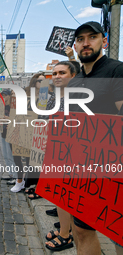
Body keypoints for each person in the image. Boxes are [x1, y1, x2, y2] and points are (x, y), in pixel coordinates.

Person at [68, 21, 123, 255]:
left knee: (118, 233)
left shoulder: (116, 71)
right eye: (80, 39)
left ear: (104, 41)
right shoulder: (75, 80)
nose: (86, 43)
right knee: (81, 231)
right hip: (81, 169)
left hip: (113, 167)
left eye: (92, 37)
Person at [43, 61, 77, 251]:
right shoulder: (54, 97)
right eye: (54, 73)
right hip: (55, 150)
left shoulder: (79, 96)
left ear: (73, 76)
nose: (56, 76)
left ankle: (66, 235)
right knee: (59, 194)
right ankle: (65, 228)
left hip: (71, 153)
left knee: (65, 195)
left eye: (62, 72)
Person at [0, 90, 17, 181]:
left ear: (10, 96)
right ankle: (10, 174)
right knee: (5, 155)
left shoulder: (14, 107)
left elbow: (18, 120)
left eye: (5, 95)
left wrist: (6, 118)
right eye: (2, 96)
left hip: (12, 134)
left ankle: (16, 176)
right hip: (3, 132)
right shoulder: (3, 106)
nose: (4, 97)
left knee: (11, 156)